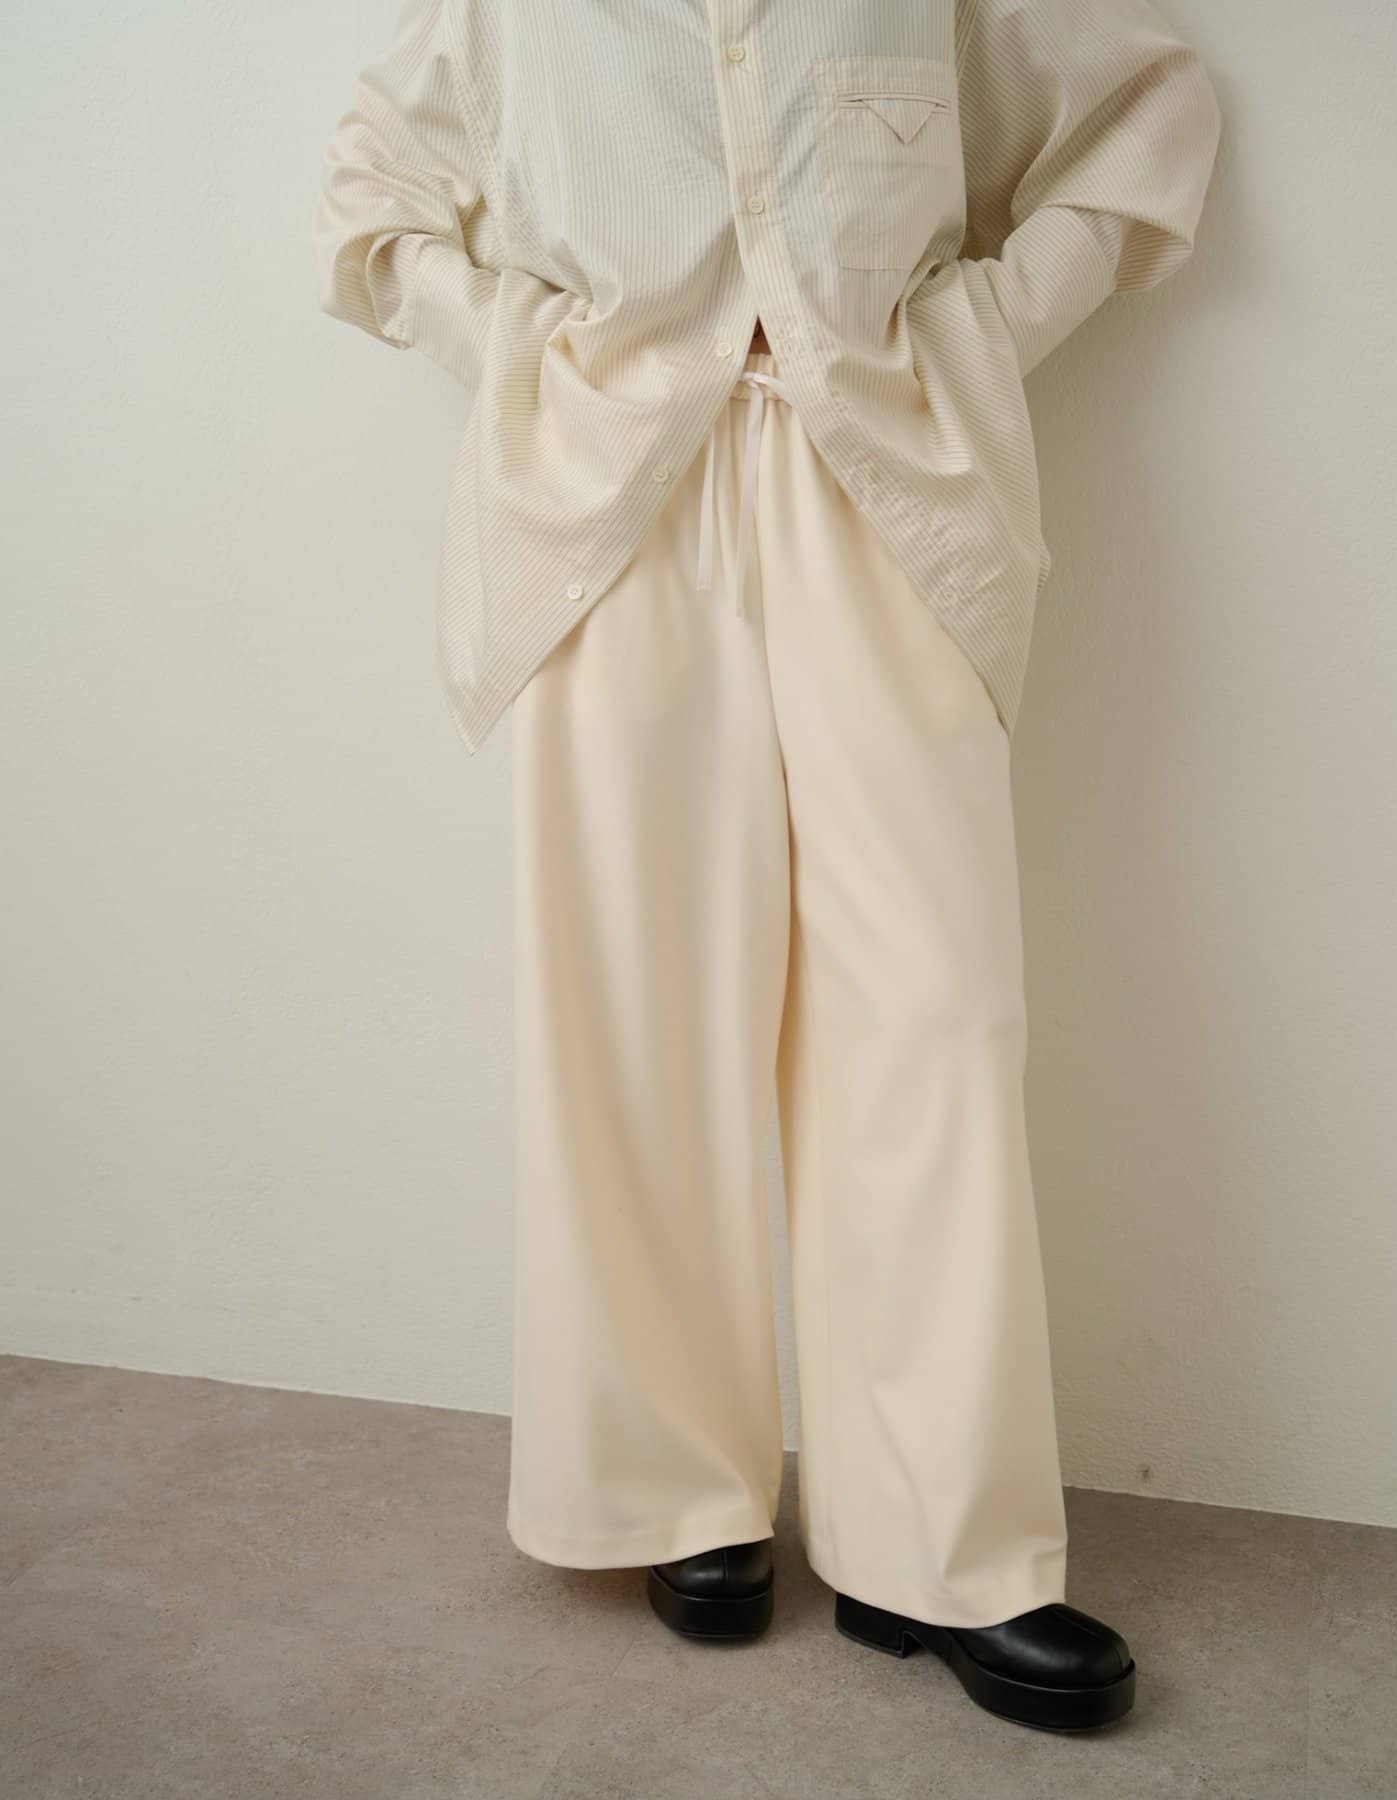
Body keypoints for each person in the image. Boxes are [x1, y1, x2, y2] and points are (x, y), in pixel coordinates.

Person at [315, 0, 1219, 1732]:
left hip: (888, 484)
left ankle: (942, 1551)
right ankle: (674, 1493)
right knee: (636, 1014)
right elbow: (371, 198)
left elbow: (1144, 109)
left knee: (937, 1019)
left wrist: (981, 328)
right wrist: (531, 354)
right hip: (609, 511)